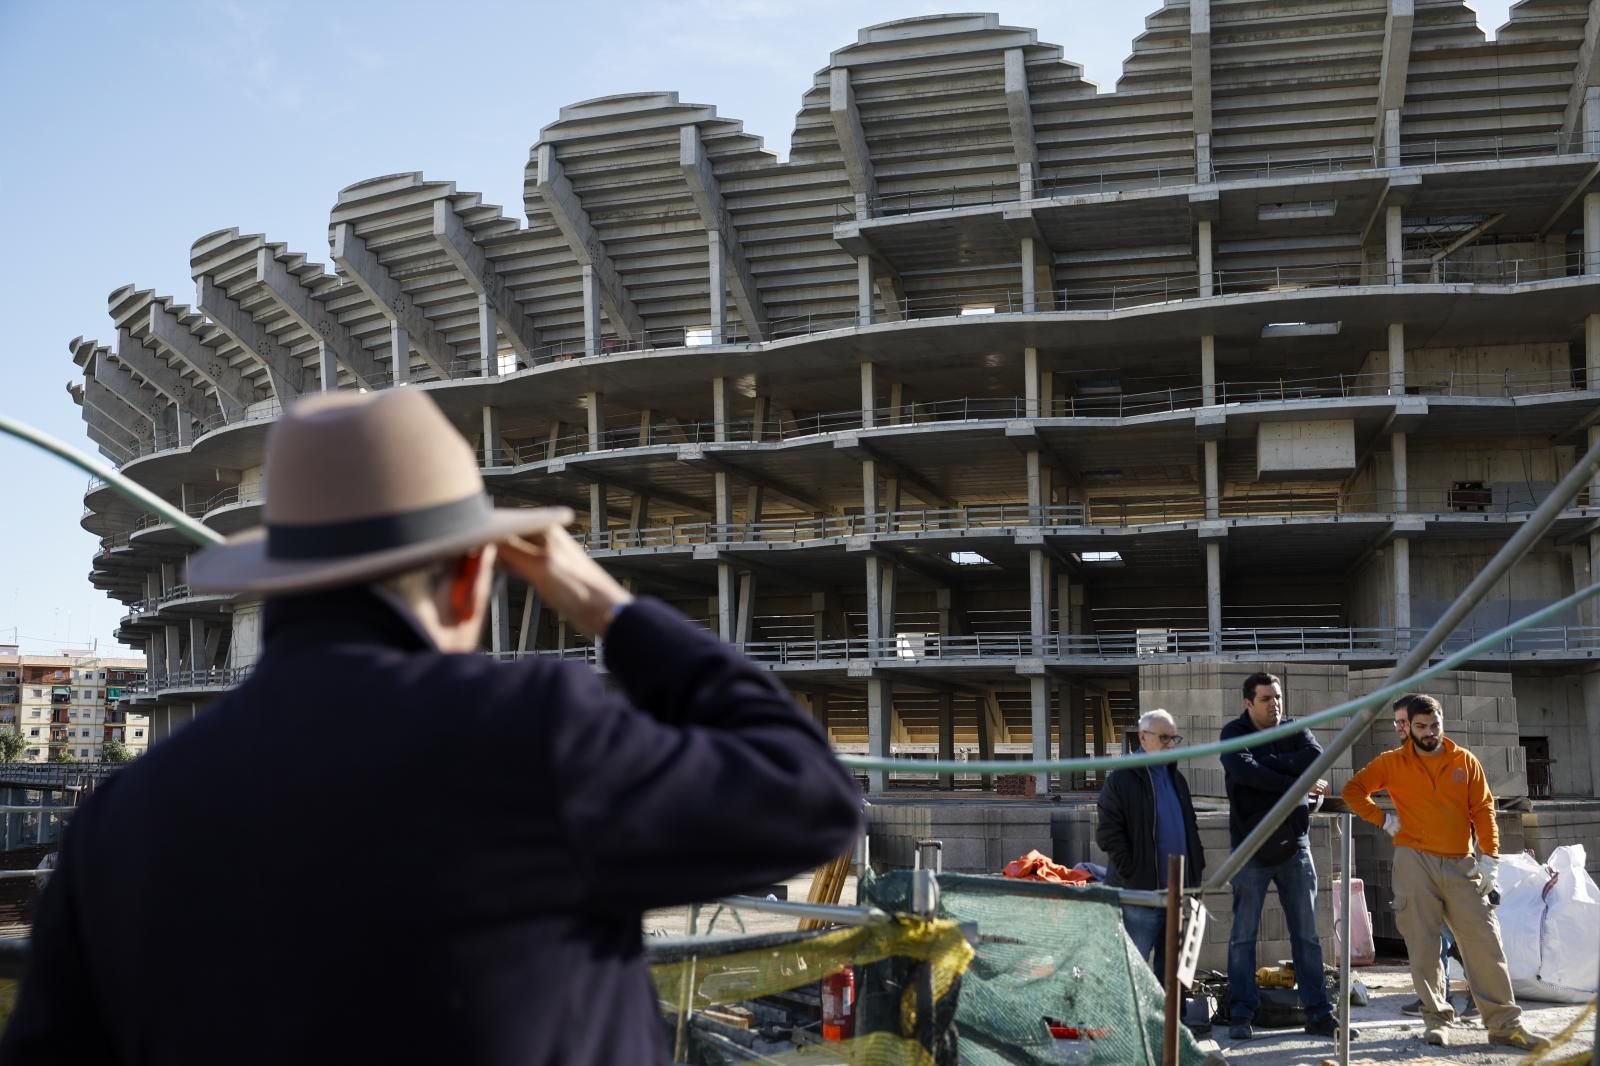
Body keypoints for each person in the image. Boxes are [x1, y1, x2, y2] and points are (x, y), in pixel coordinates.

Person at [0, 389, 865, 1066]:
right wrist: (611, 608)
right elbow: (811, 797)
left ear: (279, 583)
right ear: (466, 583)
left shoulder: (121, 819)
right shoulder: (533, 739)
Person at [1343, 695, 1549, 1051]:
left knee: (1485, 942)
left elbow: (1483, 810)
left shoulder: (1463, 761)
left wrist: (1490, 858)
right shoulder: (1391, 763)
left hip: (1460, 861)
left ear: (1442, 723)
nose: (1428, 733)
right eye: (1421, 727)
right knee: (1423, 945)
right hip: (1413, 862)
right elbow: (1353, 790)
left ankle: (1505, 1025)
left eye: (1434, 725)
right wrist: (1383, 819)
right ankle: (1436, 1021)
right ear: (1408, 727)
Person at [1220, 672, 1339, 1041]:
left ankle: (1318, 1013)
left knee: (1306, 936)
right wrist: (1296, 780)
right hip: (1251, 847)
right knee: (1243, 935)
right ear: (1248, 703)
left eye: (1278, 697)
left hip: (1294, 846)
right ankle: (1242, 1013)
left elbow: (1316, 758)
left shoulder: (1295, 729)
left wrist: (1273, 769)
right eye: (1266, 699)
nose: (1275, 704)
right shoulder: (1233, 734)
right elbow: (1244, 771)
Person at [1094, 709, 1205, 976]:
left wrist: (1196, 868)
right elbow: (1108, 833)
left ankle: (1173, 1019)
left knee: (1175, 976)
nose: (1170, 745)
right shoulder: (1122, 779)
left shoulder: (1176, 779)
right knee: (1130, 973)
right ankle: (1127, 1019)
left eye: (1174, 739)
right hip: (1140, 897)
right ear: (1143, 738)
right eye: (1164, 738)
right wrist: (1133, 873)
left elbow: (1190, 828)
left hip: (1178, 896)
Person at [1389, 695, 1474, 1021]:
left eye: (1404, 722)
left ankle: (1479, 997)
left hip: (1450, 857)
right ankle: (1436, 996)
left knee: (1458, 933)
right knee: (1430, 932)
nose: (1400, 728)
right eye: (1397, 723)